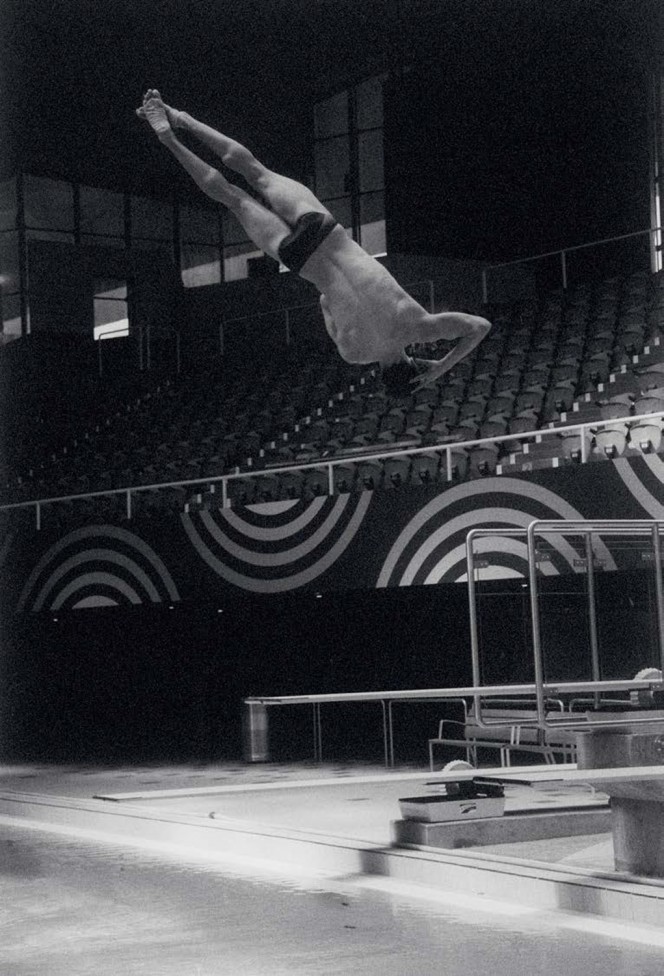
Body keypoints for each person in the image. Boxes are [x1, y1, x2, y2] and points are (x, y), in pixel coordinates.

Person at [136, 90, 491, 395]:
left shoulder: (418, 324)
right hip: (302, 260)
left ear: (416, 363)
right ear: (382, 375)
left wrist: (441, 367)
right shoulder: (353, 353)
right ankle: (168, 137)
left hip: (327, 233)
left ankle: (181, 118)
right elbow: (325, 301)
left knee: (255, 172)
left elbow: (480, 328)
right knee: (233, 198)